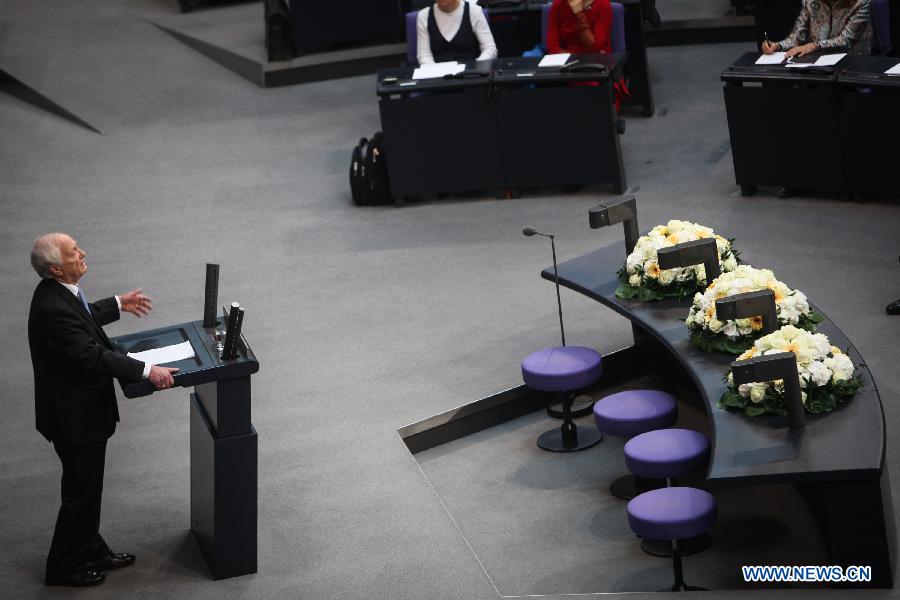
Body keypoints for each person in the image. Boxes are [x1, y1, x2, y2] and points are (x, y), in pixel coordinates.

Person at [28, 233, 178, 587]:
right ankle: (63, 566)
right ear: (55, 268)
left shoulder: (57, 293)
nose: (82, 253)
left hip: (82, 413)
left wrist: (117, 303)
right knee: (80, 493)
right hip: (74, 419)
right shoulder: (52, 310)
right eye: (73, 252)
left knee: (89, 487)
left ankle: (90, 547)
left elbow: (84, 316)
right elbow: (91, 353)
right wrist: (146, 370)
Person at [761, 0, 872, 57]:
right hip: (818, 64)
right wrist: (778, 46)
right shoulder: (810, 1)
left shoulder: (861, 2)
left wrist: (814, 46)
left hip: (852, 64)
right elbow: (797, 36)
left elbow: (846, 40)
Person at [416, 0, 497, 65]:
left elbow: (489, 48)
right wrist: (434, 72)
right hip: (437, 76)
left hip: (471, 74)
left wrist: (477, 65)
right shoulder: (424, 16)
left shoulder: (474, 11)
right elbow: (424, 55)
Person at [547, 0, 614, 55]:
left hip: (596, 59)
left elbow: (594, 47)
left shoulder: (603, 4)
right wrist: (571, 57)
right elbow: (552, 46)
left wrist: (578, 13)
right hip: (567, 60)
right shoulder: (559, 4)